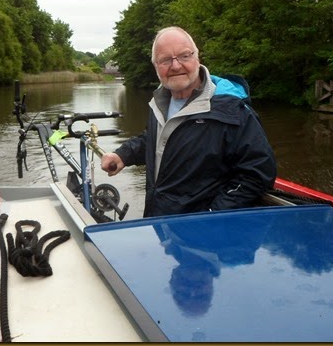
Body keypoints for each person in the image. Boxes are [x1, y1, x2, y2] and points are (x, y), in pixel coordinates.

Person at [100, 26, 277, 217]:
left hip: (201, 229)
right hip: (159, 220)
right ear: (156, 66)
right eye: (165, 60)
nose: (176, 66)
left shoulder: (232, 110)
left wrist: (212, 215)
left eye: (184, 56)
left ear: (197, 58)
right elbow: (156, 140)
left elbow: (258, 172)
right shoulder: (159, 102)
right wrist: (123, 155)